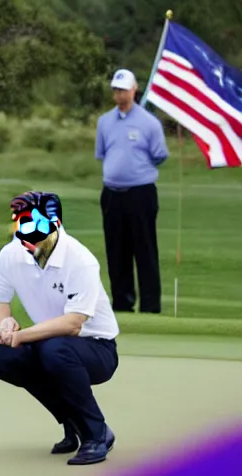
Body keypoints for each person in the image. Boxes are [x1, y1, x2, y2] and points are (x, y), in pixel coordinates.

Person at [0, 191, 119, 466]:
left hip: (97, 348)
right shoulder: (11, 254)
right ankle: (72, 422)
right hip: (50, 344)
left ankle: (97, 434)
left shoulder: (79, 259)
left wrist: (20, 335)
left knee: (54, 350)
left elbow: (73, 324)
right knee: (0, 357)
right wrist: (5, 322)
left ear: (55, 223)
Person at [95, 69, 169, 314]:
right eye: (116, 90)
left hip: (141, 194)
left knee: (145, 250)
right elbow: (103, 153)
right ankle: (122, 304)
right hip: (112, 194)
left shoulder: (149, 123)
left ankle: (150, 306)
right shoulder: (105, 121)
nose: (119, 94)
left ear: (134, 89)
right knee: (117, 251)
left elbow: (159, 155)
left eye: (124, 89)